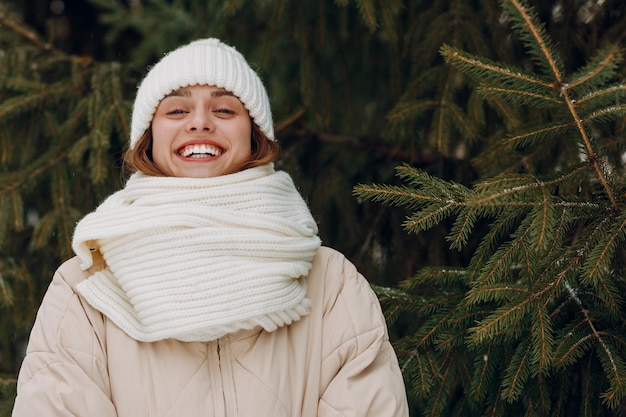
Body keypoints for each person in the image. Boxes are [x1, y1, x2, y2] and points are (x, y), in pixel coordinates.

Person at [12, 38, 409, 417]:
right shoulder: (87, 289)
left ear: (254, 137)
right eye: (177, 111)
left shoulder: (329, 282)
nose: (200, 122)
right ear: (148, 140)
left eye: (224, 111)